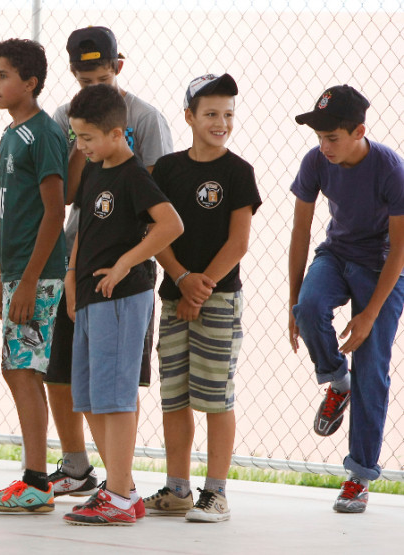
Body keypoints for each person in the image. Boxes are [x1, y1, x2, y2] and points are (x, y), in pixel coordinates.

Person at [46, 26, 173, 501]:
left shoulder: (146, 122)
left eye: (101, 78)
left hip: (123, 278)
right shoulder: (72, 123)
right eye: (84, 82)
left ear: (119, 67)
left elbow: (160, 211)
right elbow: (73, 196)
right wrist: (73, 275)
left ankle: (122, 489)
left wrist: (127, 264)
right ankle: (103, 481)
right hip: (83, 266)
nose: (92, 89)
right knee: (79, 381)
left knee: (118, 388)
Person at [62, 84, 183, 526]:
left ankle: (115, 495)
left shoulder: (134, 176)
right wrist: (73, 280)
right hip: (90, 298)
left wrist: (123, 265)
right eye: (77, 137)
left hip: (122, 297)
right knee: (90, 397)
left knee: (115, 399)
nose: (82, 146)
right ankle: (123, 488)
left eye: (88, 138)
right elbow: (85, 229)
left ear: (118, 133)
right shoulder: (94, 170)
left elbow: (170, 224)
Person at [143, 74, 261, 523]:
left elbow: (238, 243)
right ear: (189, 117)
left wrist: (202, 285)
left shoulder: (238, 172)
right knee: (174, 397)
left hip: (218, 299)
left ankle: (216, 493)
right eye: (211, 113)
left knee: (215, 397)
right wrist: (181, 277)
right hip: (175, 296)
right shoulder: (168, 169)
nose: (221, 122)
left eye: (228, 114)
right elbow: (157, 231)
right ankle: (178, 489)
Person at [288, 84, 404, 513]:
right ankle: (338, 382)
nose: (324, 146)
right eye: (319, 137)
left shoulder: (391, 169)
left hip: (383, 267)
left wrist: (371, 313)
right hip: (336, 255)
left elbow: (400, 247)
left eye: (332, 137)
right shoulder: (317, 161)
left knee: (372, 366)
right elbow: (301, 231)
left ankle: (359, 476)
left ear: (359, 131)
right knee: (311, 306)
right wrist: (292, 302)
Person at [0, 38, 67, 513]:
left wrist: (30, 280)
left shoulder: (44, 134)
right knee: (16, 369)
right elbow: (14, 215)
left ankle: (37, 483)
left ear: (30, 83)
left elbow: (53, 213)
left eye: (3, 75)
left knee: (24, 369)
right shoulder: (11, 135)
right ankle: (34, 477)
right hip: (19, 272)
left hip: (43, 276)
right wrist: (3, 276)